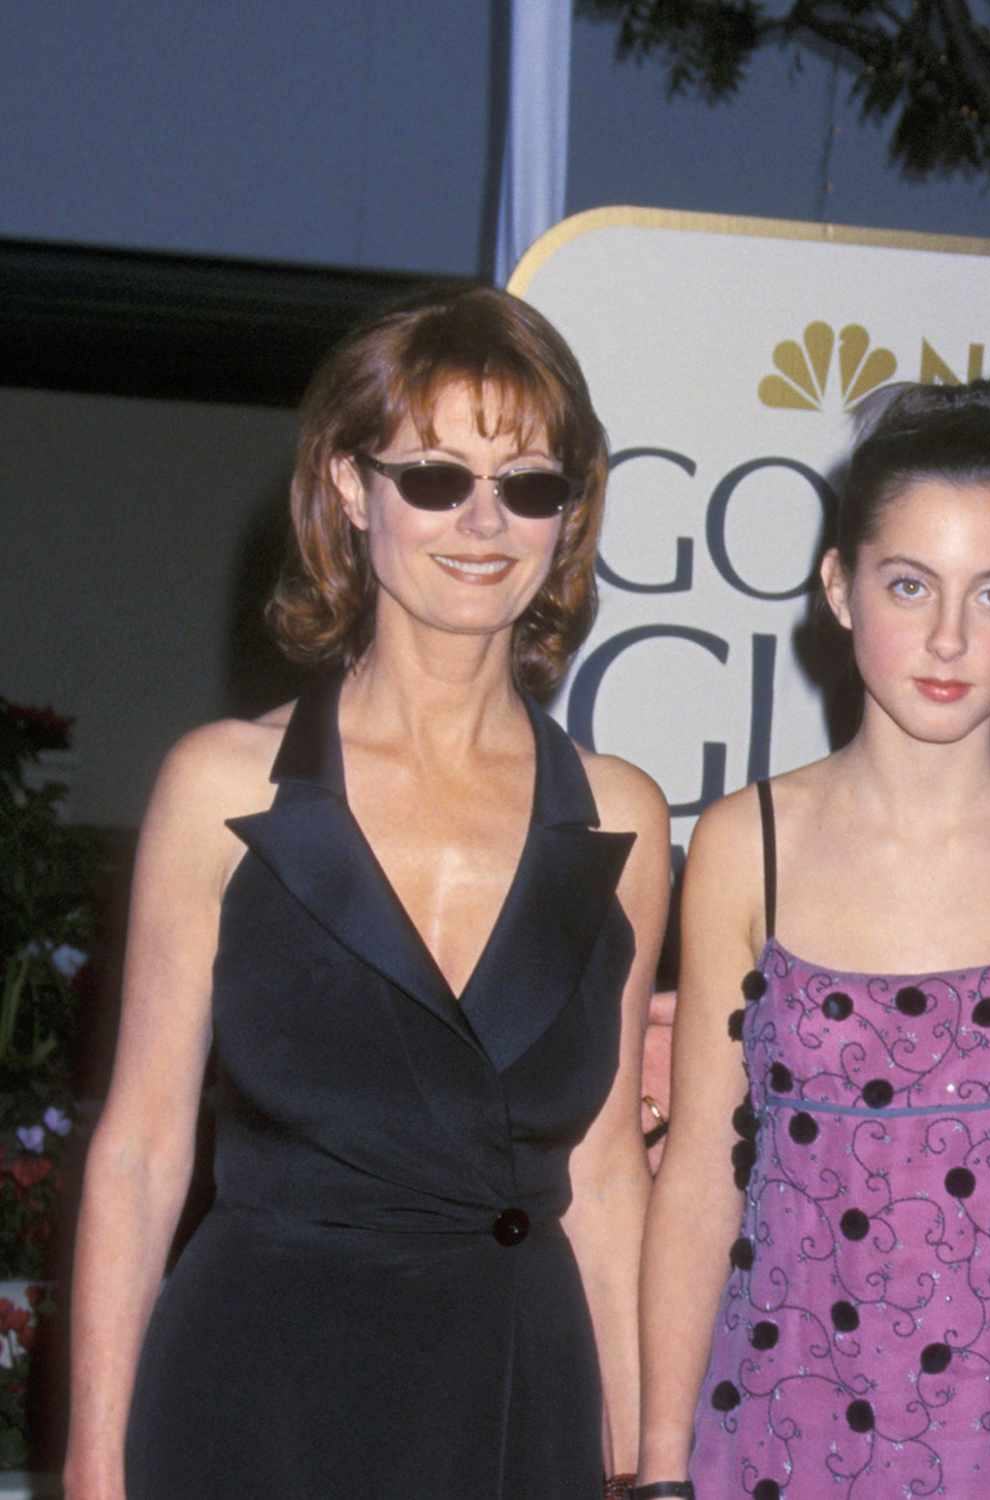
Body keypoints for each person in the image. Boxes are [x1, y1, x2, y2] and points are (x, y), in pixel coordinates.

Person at [63, 285, 670, 1499]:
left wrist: (650, 1463)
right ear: (352, 488)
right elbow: (136, 1154)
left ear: (569, 514)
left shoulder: (620, 817)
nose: (483, 522)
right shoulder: (221, 788)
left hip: (514, 1401)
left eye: (530, 485)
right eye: (436, 478)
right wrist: (92, 1465)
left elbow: (605, 1173)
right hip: (256, 1394)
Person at [637, 382, 990, 1500]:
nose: (945, 637)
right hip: (782, 1434)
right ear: (837, 587)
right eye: (907, 584)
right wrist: (656, 1471)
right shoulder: (746, 843)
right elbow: (698, 1180)